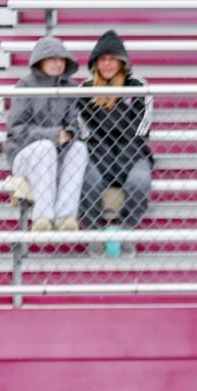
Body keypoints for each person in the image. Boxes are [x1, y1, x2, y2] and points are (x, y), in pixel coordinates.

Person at [75, 31, 153, 251]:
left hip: (133, 151)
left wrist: (123, 156)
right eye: (103, 59)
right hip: (97, 152)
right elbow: (85, 130)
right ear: (96, 62)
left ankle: (126, 229)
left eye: (112, 59)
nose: (108, 64)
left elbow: (142, 128)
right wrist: (104, 154)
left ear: (121, 61)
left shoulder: (138, 86)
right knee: (88, 182)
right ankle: (94, 231)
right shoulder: (85, 90)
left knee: (139, 182)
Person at [4, 38, 87, 233]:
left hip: (59, 152)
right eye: (52, 59)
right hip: (24, 154)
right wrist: (51, 135)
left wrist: (69, 134)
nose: (58, 64)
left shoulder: (71, 89)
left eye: (61, 59)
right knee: (45, 147)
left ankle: (65, 217)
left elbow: (75, 123)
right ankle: (42, 217)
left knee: (79, 149)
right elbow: (16, 129)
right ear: (40, 60)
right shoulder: (25, 86)